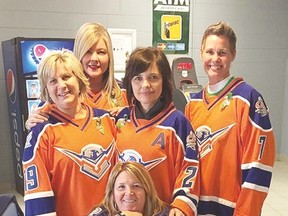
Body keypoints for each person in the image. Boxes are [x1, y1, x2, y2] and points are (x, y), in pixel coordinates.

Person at [185, 21, 275, 215]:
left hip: (231, 210)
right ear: (201, 53)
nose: (215, 59)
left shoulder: (248, 99)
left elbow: (259, 165)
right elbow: (185, 163)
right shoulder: (192, 104)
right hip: (195, 207)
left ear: (233, 54)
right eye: (210, 52)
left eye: (222, 52)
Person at [22, 50, 117, 216]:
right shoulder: (41, 132)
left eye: (66, 77)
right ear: (46, 90)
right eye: (52, 81)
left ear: (79, 79)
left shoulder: (107, 120)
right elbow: (37, 199)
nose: (61, 86)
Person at [115, 47, 200, 216]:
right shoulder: (120, 119)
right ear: (130, 83)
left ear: (164, 80)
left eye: (153, 77)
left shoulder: (177, 122)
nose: (145, 85)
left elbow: (190, 167)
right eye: (138, 78)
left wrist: (181, 205)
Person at [25, 22, 128, 129]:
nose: (94, 58)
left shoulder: (125, 93)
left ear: (109, 56)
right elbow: (39, 129)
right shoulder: (63, 95)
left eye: (101, 52)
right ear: (79, 53)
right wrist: (31, 124)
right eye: (88, 52)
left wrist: (128, 113)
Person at [89, 161, 170, 216]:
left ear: (147, 190)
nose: (129, 193)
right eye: (121, 187)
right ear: (112, 193)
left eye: (136, 186)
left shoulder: (165, 213)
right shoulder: (101, 212)